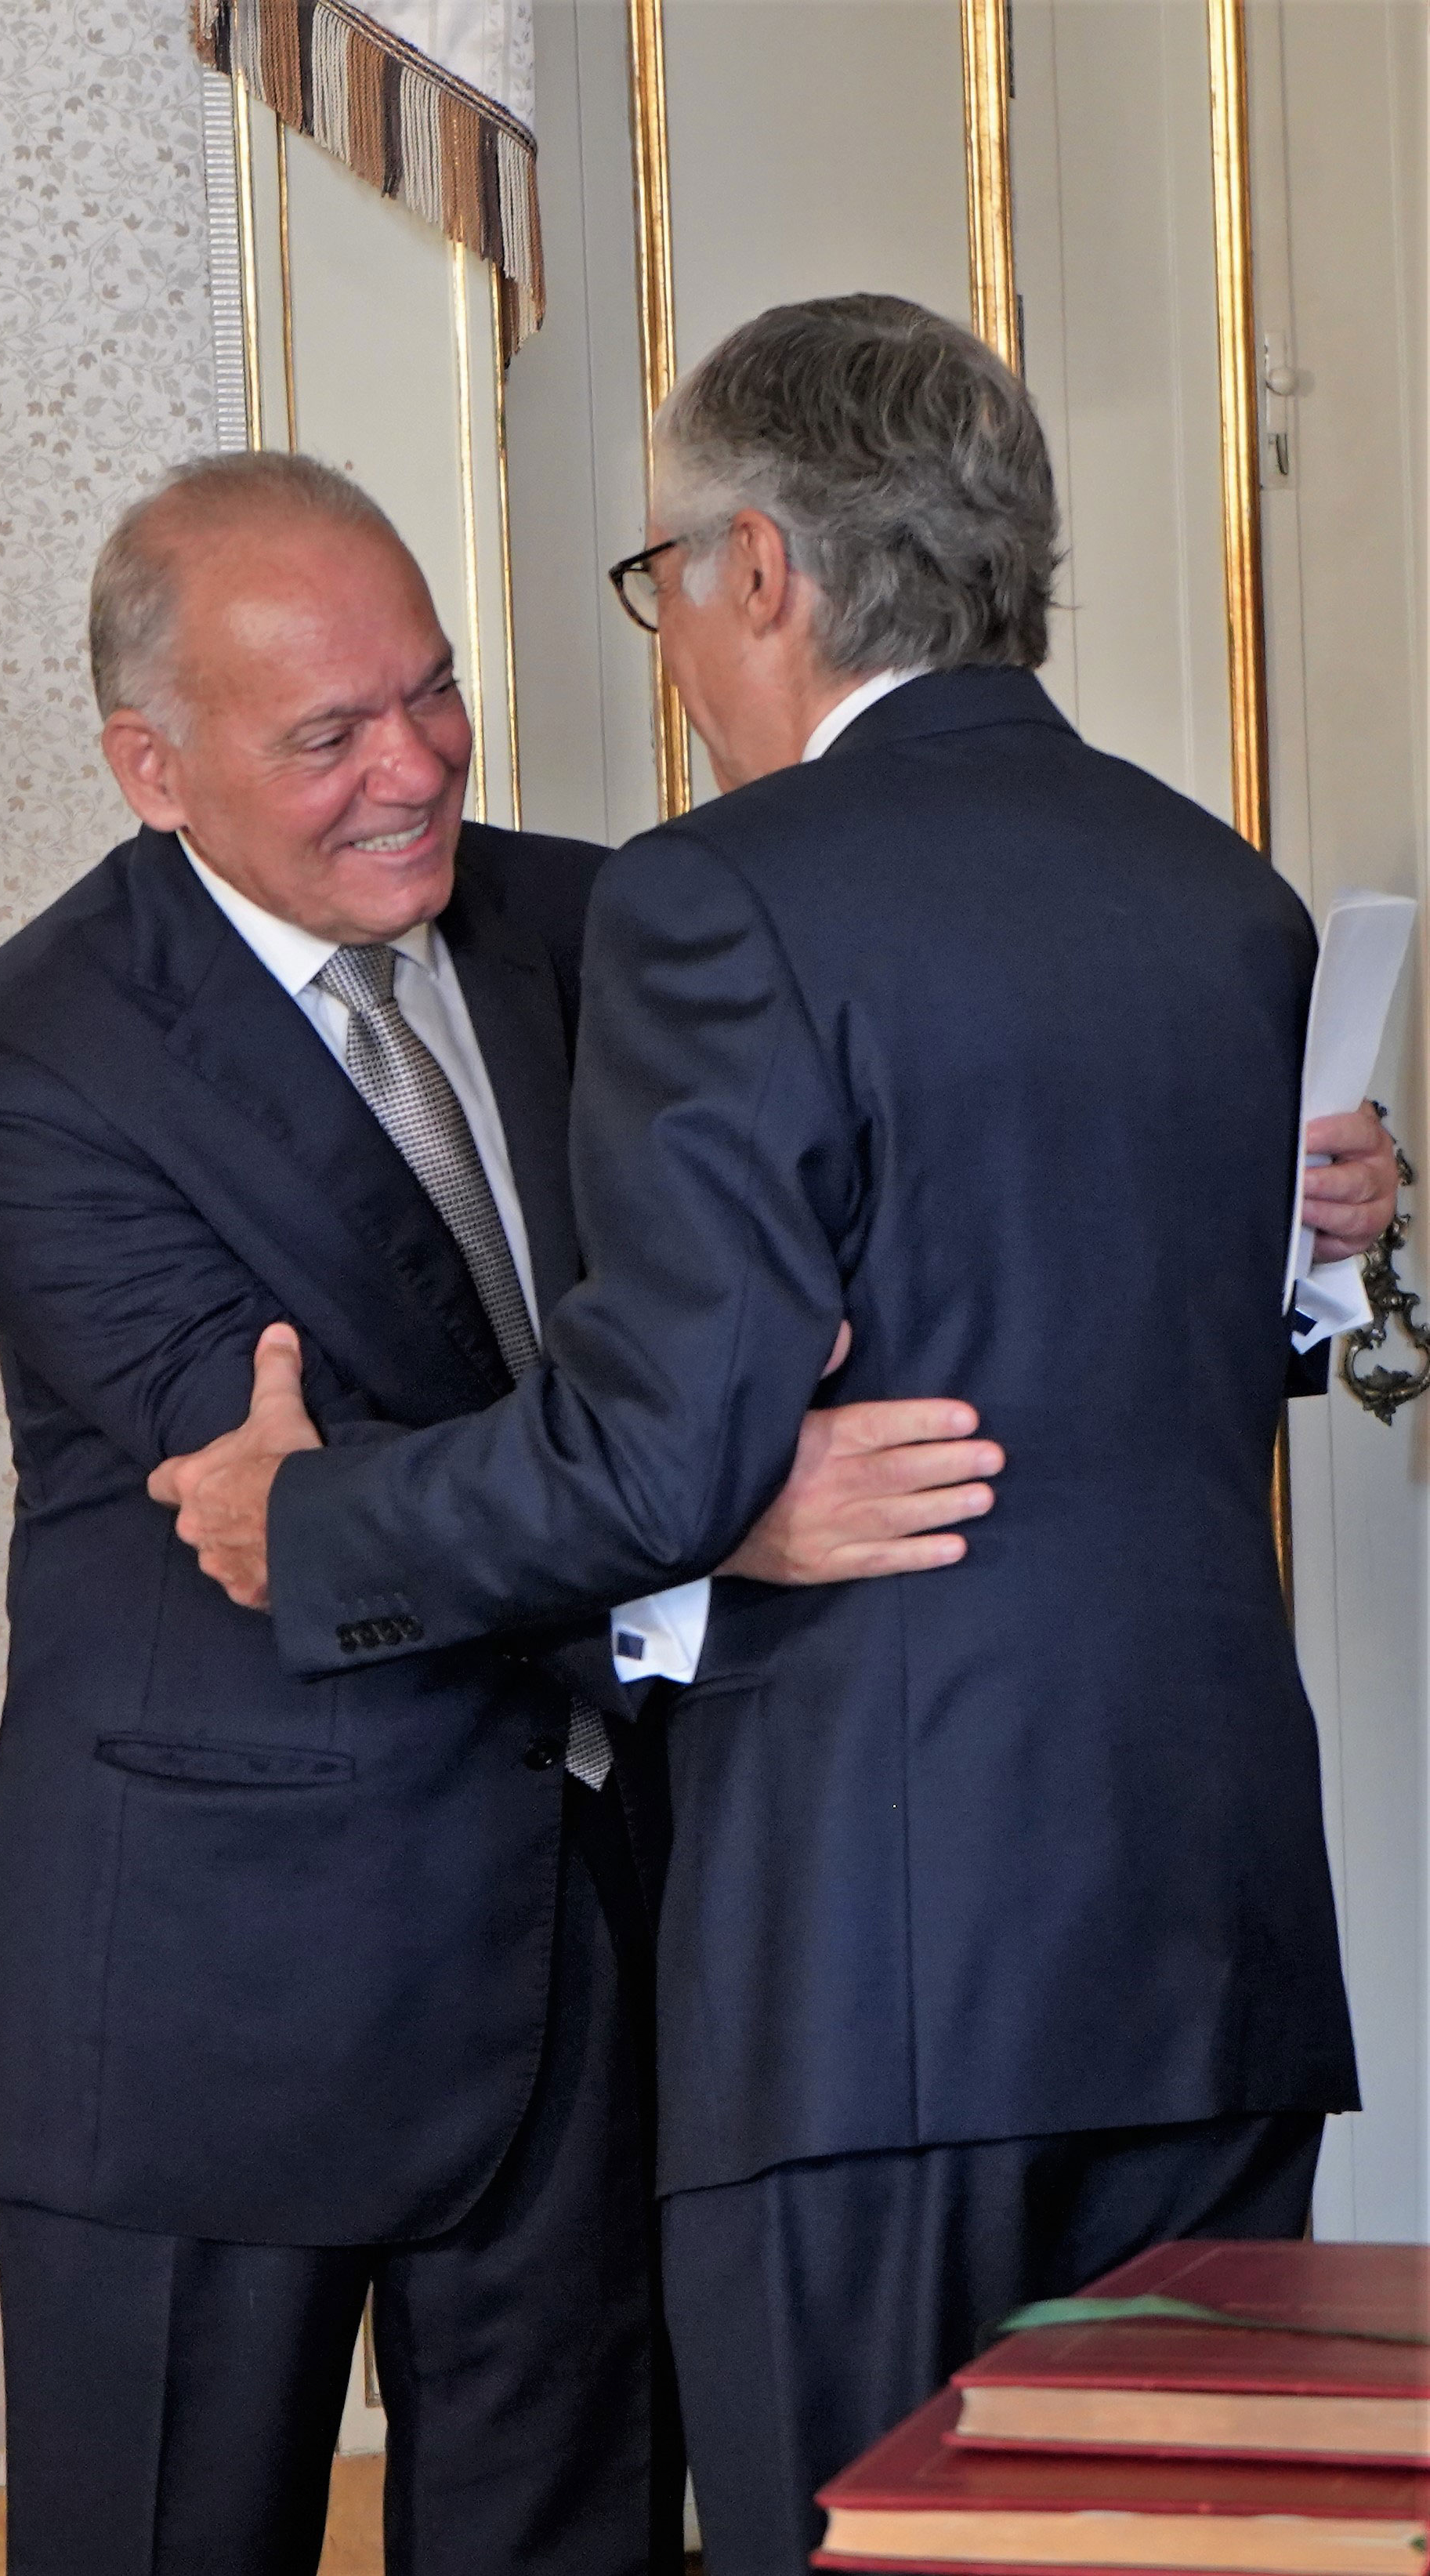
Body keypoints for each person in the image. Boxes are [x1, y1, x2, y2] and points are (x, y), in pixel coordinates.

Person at [150, 303, 1395, 2575]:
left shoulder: (722, 893)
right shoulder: (1223, 892)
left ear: (757, 567)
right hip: (1212, 1955)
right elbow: (1149, 1339)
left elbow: (661, 1456)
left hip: (882, 1971)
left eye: (665, 581)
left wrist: (316, 1521)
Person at [0, 449, 1007, 2576]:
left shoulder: (609, 923)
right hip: (209, 2000)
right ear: (153, 767)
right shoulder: (28, 1068)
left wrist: (1273, 1190)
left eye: (430, 692)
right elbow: (285, 1508)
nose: (412, 769)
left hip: (594, 1971)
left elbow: (917, 1198)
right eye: (328, 733)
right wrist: (718, 1520)